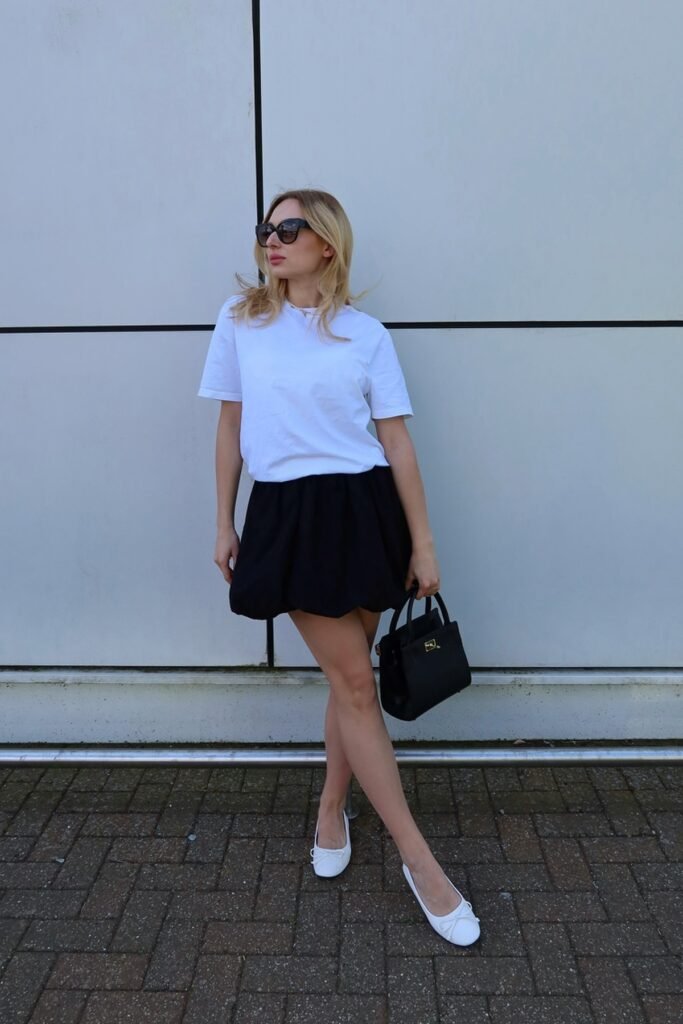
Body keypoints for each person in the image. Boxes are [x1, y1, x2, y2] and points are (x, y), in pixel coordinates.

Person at [197, 188, 480, 946]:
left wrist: (421, 542)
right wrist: (224, 520)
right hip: (288, 517)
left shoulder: (364, 335)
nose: (272, 240)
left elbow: (396, 444)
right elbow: (230, 427)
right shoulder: (240, 323)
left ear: (326, 243)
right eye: (266, 228)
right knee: (357, 685)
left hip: (366, 512)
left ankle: (330, 805)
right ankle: (422, 864)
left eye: (289, 229)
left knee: (345, 679)